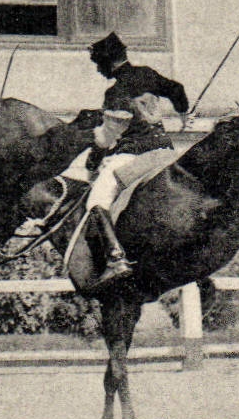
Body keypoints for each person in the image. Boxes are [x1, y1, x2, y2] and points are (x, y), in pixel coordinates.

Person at [65, 31, 190, 286]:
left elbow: (110, 136)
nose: (99, 71)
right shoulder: (147, 74)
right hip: (165, 151)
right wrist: (184, 113)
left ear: (108, 63)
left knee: (96, 200)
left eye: (99, 66)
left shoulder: (116, 92)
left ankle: (115, 258)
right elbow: (177, 89)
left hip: (134, 155)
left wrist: (92, 162)